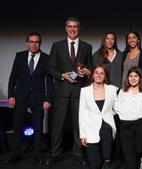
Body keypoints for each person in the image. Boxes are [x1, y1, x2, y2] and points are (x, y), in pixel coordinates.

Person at [46, 17, 93, 165]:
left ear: (79, 29)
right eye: (70, 26)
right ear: (66, 29)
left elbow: (91, 70)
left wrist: (87, 71)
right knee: (57, 125)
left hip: (79, 91)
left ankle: (78, 153)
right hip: (61, 92)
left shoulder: (87, 47)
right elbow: (50, 68)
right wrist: (62, 75)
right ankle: (55, 153)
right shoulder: (57, 46)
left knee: (79, 125)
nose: (72, 29)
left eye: (75, 27)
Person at [6, 32, 52, 165]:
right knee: (17, 125)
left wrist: (48, 99)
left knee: (38, 127)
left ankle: (37, 155)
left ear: (40, 43)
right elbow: (13, 77)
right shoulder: (19, 56)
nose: (34, 44)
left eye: (36, 42)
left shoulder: (46, 58)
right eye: (31, 41)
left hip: (38, 98)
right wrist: (10, 95)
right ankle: (16, 153)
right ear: (27, 43)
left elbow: (48, 81)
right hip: (20, 96)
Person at [114, 67, 142, 169]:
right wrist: (124, 116)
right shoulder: (122, 92)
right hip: (126, 127)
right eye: (131, 76)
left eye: (136, 76)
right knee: (130, 163)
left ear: (140, 78)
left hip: (140, 128)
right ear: (128, 78)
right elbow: (116, 107)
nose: (133, 78)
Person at [79, 64, 117, 169]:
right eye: (96, 72)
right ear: (92, 75)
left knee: (106, 129)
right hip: (90, 128)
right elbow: (81, 113)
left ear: (105, 76)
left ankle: (107, 160)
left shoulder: (112, 90)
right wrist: (83, 134)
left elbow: (118, 108)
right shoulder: (85, 91)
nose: (99, 75)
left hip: (107, 124)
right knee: (94, 164)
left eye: (102, 73)